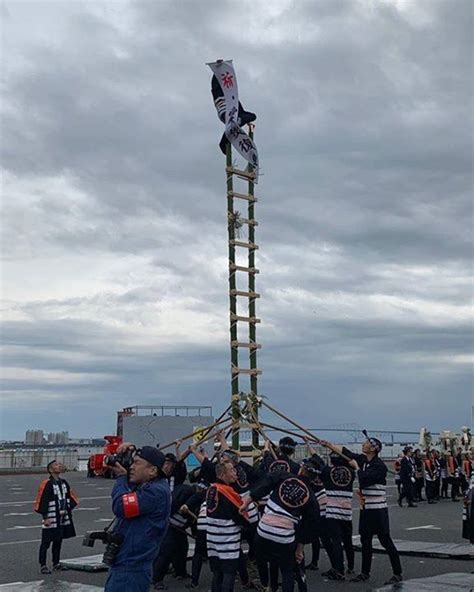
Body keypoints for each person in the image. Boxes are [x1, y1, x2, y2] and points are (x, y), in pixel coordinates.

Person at [320, 437, 403, 585]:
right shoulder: (363, 459)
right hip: (366, 509)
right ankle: (365, 573)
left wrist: (356, 468)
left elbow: (365, 480)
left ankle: (397, 573)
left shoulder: (379, 466)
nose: (363, 445)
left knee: (385, 541)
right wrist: (329, 444)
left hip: (378, 510)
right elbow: (347, 453)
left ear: (374, 448)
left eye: (366, 444)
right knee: (365, 541)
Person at [241, 457, 320, 592]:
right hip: (284, 537)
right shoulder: (311, 497)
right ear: (314, 478)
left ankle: (266, 586)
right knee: (287, 571)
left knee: (262, 560)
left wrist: (246, 502)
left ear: (301, 469)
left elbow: (264, 486)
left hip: (264, 530)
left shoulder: (283, 476)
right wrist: (299, 549)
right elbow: (310, 526)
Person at [104, 444, 171, 592]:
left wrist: (122, 477)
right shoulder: (150, 486)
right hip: (127, 564)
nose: (131, 467)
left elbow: (121, 506)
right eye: (132, 462)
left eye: (137, 463)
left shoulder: (155, 492)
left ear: (153, 470)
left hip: (131, 569)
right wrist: (129, 450)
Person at [206, 462, 250, 592]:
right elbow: (240, 514)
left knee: (217, 573)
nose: (235, 473)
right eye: (231, 470)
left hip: (212, 537)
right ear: (222, 474)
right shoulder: (227, 491)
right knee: (228, 573)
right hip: (227, 539)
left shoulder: (212, 488)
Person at [34, 460, 79, 574]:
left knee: (58, 540)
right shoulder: (47, 483)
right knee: (46, 542)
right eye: (55, 465)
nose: (58, 466)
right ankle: (43, 565)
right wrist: (45, 517)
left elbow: (71, 497)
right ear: (50, 469)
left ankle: (56, 563)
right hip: (51, 516)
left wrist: (68, 509)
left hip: (62, 516)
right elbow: (42, 500)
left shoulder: (64, 482)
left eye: (59, 464)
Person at [320, 452, 355, 581]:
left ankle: (338, 570)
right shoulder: (351, 472)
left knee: (336, 541)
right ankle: (350, 566)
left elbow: (317, 461)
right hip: (346, 512)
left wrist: (308, 445)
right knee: (348, 540)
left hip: (332, 511)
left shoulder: (327, 472)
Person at [211, 67, 257, 155]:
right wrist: (219, 67)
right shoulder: (217, 91)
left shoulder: (231, 93)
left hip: (235, 110)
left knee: (253, 116)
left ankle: (239, 121)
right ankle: (224, 142)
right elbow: (216, 80)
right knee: (237, 120)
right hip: (225, 112)